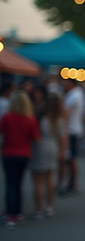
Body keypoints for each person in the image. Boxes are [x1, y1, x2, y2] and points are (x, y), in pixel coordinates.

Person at [1, 90, 40, 229]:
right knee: (18, 184)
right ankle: (17, 212)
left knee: (10, 184)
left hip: (9, 153)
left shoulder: (7, 117)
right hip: (24, 154)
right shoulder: (30, 119)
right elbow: (35, 137)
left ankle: (10, 214)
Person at [31, 93, 66, 219]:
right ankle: (50, 207)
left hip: (39, 147)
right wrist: (62, 151)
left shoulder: (40, 118)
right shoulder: (59, 119)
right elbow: (62, 138)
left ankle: (38, 210)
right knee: (49, 178)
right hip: (52, 147)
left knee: (38, 181)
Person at [60, 78, 85, 195]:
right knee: (71, 158)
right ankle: (72, 183)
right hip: (74, 129)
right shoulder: (78, 94)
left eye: (65, 83)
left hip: (71, 130)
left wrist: (63, 129)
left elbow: (66, 113)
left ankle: (72, 183)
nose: (63, 86)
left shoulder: (73, 95)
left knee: (70, 158)